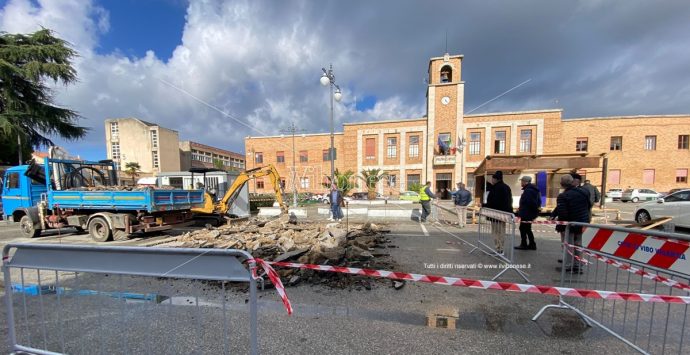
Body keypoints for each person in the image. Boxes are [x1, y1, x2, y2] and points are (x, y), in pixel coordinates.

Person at [550, 174, 592, 273]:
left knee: (569, 245)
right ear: (572, 182)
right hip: (582, 221)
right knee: (578, 244)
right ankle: (578, 265)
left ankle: (568, 265)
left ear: (562, 184)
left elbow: (563, 213)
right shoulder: (584, 192)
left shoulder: (563, 196)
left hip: (570, 224)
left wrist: (561, 224)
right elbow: (589, 205)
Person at [484, 171, 513, 253]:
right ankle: (500, 248)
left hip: (496, 214)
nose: (492, 180)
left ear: (495, 179)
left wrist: (484, 205)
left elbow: (495, 202)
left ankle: (499, 249)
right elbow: (510, 200)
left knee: (497, 232)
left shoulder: (497, 188)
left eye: (492, 178)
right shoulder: (506, 187)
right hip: (504, 213)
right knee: (501, 231)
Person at [515, 176, 541, 250]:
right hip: (529, 213)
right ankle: (532, 244)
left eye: (522, 181)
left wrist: (523, 210)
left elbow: (530, 202)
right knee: (527, 229)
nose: (521, 182)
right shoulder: (533, 189)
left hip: (527, 214)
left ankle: (525, 244)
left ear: (525, 182)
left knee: (523, 228)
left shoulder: (528, 190)